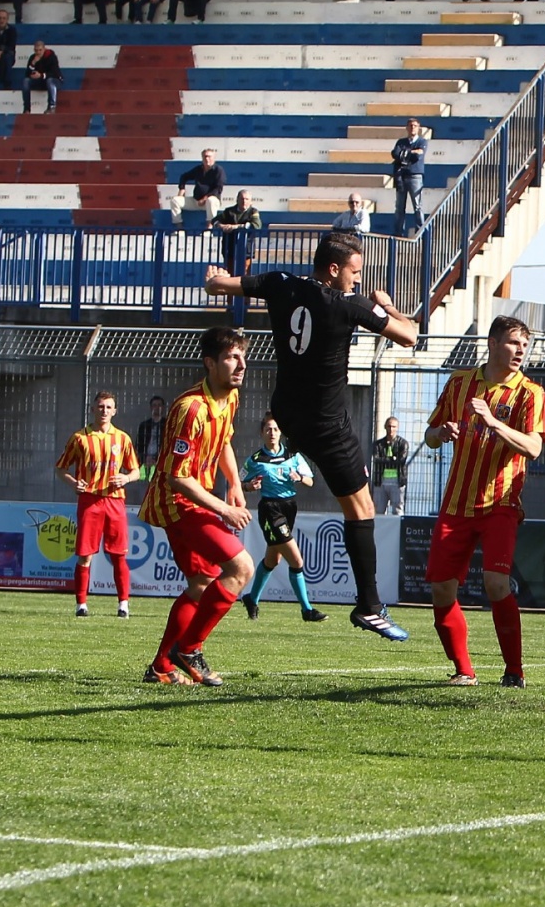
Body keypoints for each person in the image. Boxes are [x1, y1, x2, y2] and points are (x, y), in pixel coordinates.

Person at [207, 233, 419, 641]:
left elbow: (223, 285)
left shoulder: (279, 282)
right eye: (355, 272)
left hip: (287, 413)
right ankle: (370, 607)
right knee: (361, 509)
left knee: (301, 485)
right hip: (326, 423)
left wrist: (215, 279)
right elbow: (409, 335)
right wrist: (387, 302)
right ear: (335, 269)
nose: (358, 280)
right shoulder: (348, 304)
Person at [423, 315, 545, 687]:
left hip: (501, 502)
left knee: (497, 582)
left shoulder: (530, 392)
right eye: (513, 343)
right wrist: (440, 432)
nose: (520, 351)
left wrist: (494, 423)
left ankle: (514, 672)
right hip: (455, 504)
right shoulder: (460, 383)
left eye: (524, 345)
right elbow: (430, 436)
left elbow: (533, 447)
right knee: (441, 589)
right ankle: (464, 671)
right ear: (493, 343)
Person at [138, 326, 255, 687]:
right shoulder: (192, 408)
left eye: (242, 357)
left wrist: (234, 483)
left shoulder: (228, 398)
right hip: (178, 503)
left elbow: (223, 442)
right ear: (210, 363)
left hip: (194, 498)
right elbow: (176, 477)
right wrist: (223, 507)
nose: (241, 365)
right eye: (232, 357)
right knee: (241, 567)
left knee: (202, 582)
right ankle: (189, 649)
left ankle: (160, 667)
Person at [56, 390, 140, 619]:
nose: (104, 411)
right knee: (85, 555)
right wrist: (74, 483)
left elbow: (136, 471)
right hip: (90, 500)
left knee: (119, 555)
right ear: (93, 409)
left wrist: (126, 478)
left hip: (115, 501)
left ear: (115, 411)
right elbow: (60, 468)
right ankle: (81, 605)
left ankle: (123, 605)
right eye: (100, 406)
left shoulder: (122, 439)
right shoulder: (80, 438)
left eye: (108, 407)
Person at [239, 413, 329, 624]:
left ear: (281, 433)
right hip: (270, 509)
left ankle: (251, 599)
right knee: (296, 560)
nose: (272, 433)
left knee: (273, 559)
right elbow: (239, 481)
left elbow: (310, 481)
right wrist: (249, 487)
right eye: (268, 429)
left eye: (276, 429)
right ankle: (307, 610)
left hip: (289, 508)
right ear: (262, 433)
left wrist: (299, 478)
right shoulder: (255, 460)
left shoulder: (292, 456)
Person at [170, 148, 226, 230]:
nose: (207, 159)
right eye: (205, 157)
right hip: (196, 200)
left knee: (211, 200)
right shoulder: (199, 169)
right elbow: (184, 176)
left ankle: (209, 228)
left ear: (214, 158)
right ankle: (179, 229)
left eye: (209, 157)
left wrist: (205, 198)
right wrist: (182, 189)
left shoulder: (218, 170)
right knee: (175, 200)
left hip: (210, 202)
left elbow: (218, 188)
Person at [391, 119, 427, 237]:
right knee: (399, 207)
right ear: (407, 128)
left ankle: (420, 232)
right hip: (401, 175)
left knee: (417, 206)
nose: (412, 128)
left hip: (415, 176)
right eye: (410, 126)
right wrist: (410, 153)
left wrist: (405, 153)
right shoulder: (401, 141)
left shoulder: (422, 141)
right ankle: (398, 233)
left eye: (415, 126)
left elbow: (419, 154)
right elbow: (395, 154)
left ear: (418, 128)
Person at [213, 190, 261, 274]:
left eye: (247, 199)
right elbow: (215, 220)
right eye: (242, 199)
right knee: (229, 271)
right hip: (229, 247)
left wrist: (236, 227)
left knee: (245, 272)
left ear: (251, 201)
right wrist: (221, 226)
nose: (244, 201)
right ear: (237, 199)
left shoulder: (253, 211)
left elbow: (256, 225)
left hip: (246, 248)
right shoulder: (228, 211)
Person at [371, 417, 410, 515]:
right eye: (389, 426)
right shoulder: (378, 444)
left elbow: (401, 461)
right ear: (385, 427)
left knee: (398, 510)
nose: (391, 429)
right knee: (379, 511)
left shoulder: (403, 443)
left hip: (397, 481)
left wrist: (386, 460)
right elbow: (376, 459)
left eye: (393, 426)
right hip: (380, 481)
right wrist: (393, 459)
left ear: (397, 428)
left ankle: (398, 530)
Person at [21, 40, 61, 115]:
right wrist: (33, 64)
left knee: (50, 81)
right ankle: (26, 109)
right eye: (36, 50)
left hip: (54, 80)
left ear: (44, 49)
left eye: (40, 50)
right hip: (40, 81)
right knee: (26, 81)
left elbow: (54, 73)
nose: (38, 52)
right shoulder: (33, 58)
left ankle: (51, 107)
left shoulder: (51, 56)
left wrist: (42, 75)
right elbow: (27, 74)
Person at [135, 395, 166, 477]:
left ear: (163, 407)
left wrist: (156, 459)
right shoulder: (144, 425)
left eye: (159, 405)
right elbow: (139, 445)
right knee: (143, 483)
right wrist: (145, 458)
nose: (157, 408)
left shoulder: (167, 424)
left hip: (161, 462)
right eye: (154, 405)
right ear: (151, 407)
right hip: (145, 461)